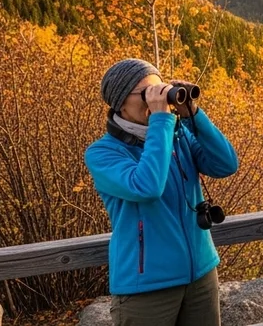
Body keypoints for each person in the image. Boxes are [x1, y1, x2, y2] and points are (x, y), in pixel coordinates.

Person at [85, 58, 240, 326]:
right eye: (147, 93)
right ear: (121, 103)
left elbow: (226, 164)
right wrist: (161, 121)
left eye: (160, 90)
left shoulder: (178, 136)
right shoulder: (103, 153)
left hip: (201, 273)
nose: (157, 100)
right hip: (147, 285)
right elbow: (147, 187)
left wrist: (193, 114)